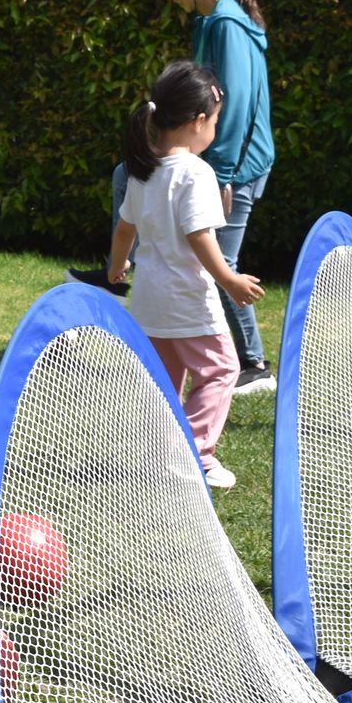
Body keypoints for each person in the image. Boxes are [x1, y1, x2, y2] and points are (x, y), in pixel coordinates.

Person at [70, 0, 276, 395]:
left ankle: (252, 363)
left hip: (235, 165)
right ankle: (127, 270)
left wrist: (219, 175)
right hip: (218, 162)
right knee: (130, 174)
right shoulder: (209, 20)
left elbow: (236, 106)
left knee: (220, 261)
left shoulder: (225, 23)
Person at [107, 61, 264, 489]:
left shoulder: (144, 170)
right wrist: (228, 279)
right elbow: (199, 234)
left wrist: (117, 264)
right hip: (188, 299)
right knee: (221, 370)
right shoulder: (197, 173)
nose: (214, 129)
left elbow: (125, 228)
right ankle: (196, 453)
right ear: (198, 122)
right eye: (215, 121)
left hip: (149, 301)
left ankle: (154, 454)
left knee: (165, 380)